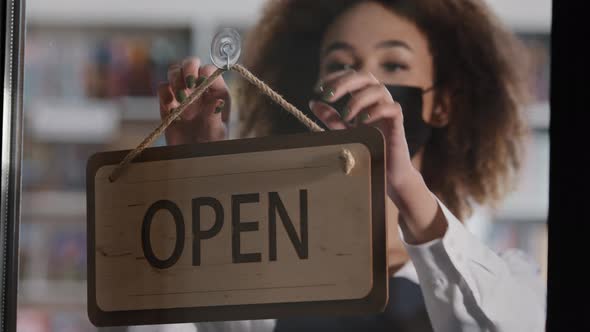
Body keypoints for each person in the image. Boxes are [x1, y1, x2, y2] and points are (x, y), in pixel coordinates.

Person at [157, 0, 546, 331]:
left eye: (393, 65)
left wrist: (406, 188)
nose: (367, 81)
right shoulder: (266, 280)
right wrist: (195, 181)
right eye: (341, 64)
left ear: (442, 103)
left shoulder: (510, 279)